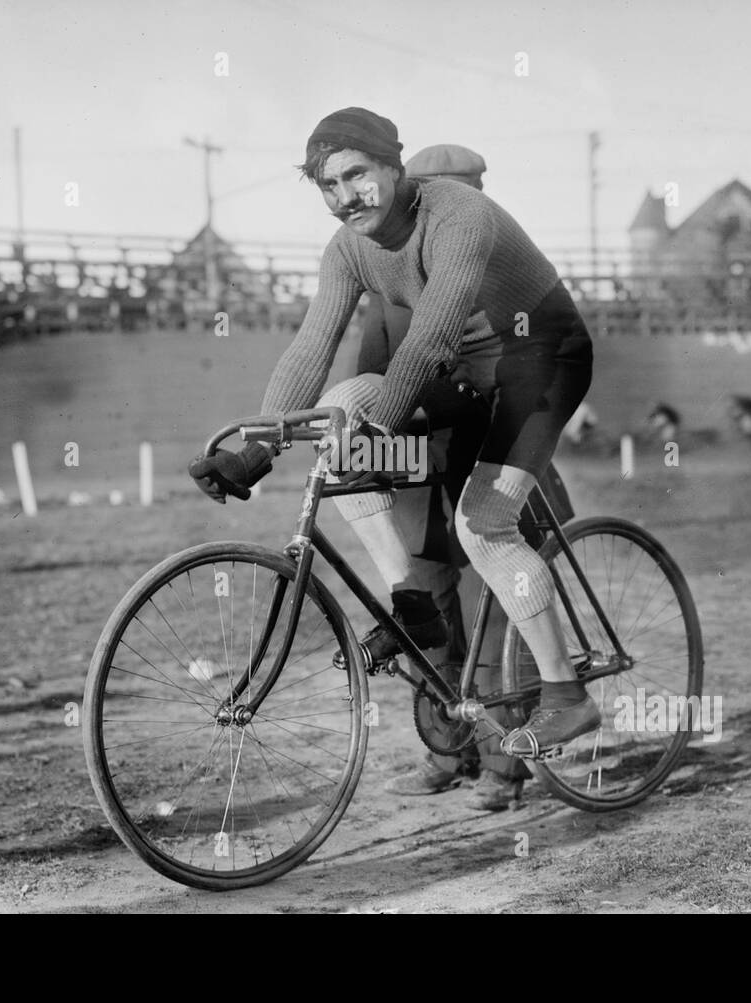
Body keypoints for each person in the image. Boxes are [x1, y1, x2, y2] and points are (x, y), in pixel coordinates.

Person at [189, 107, 599, 760]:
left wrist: (374, 433)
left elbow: (430, 339)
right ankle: (410, 600)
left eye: (357, 175)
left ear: (395, 165)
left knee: (482, 525)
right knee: (338, 412)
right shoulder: (348, 248)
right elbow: (312, 345)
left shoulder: (457, 213)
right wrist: (258, 448)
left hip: (540, 360)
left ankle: (566, 694)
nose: (344, 197)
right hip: (465, 371)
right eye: (328, 186)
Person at [347, 143, 531, 810]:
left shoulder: (507, 273)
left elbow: (508, 373)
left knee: (493, 612)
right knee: (426, 606)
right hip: (422, 462)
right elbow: (372, 367)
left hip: (489, 455)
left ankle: (506, 765)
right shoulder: (393, 275)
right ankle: (446, 749)